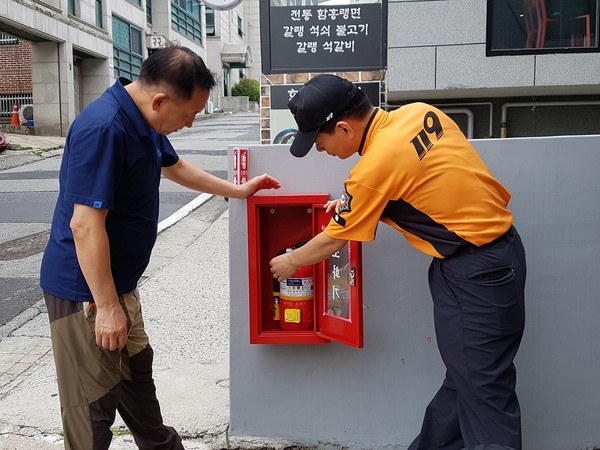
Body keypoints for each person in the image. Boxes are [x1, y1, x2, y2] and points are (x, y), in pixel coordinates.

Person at [40, 45, 280, 450]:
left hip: (119, 286)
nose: (189, 124)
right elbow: (84, 225)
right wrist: (108, 306)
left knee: (138, 384)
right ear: (160, 99)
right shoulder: (105, 128)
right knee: (92, 410)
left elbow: (175, 166)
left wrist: (237, 191)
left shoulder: (145, 122)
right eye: (189, 115)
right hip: (85, 294)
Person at [270, 74, 526, 450]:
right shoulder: (419, 114)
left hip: (476, 274)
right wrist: (352, 205)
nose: (321, 151)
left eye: (320, 142)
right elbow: (427, 179)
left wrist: (290, 261)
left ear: (344, 127)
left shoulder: (375, 167)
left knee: (484, 389)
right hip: (497, 257)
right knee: (467, 379)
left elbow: (337, 237)